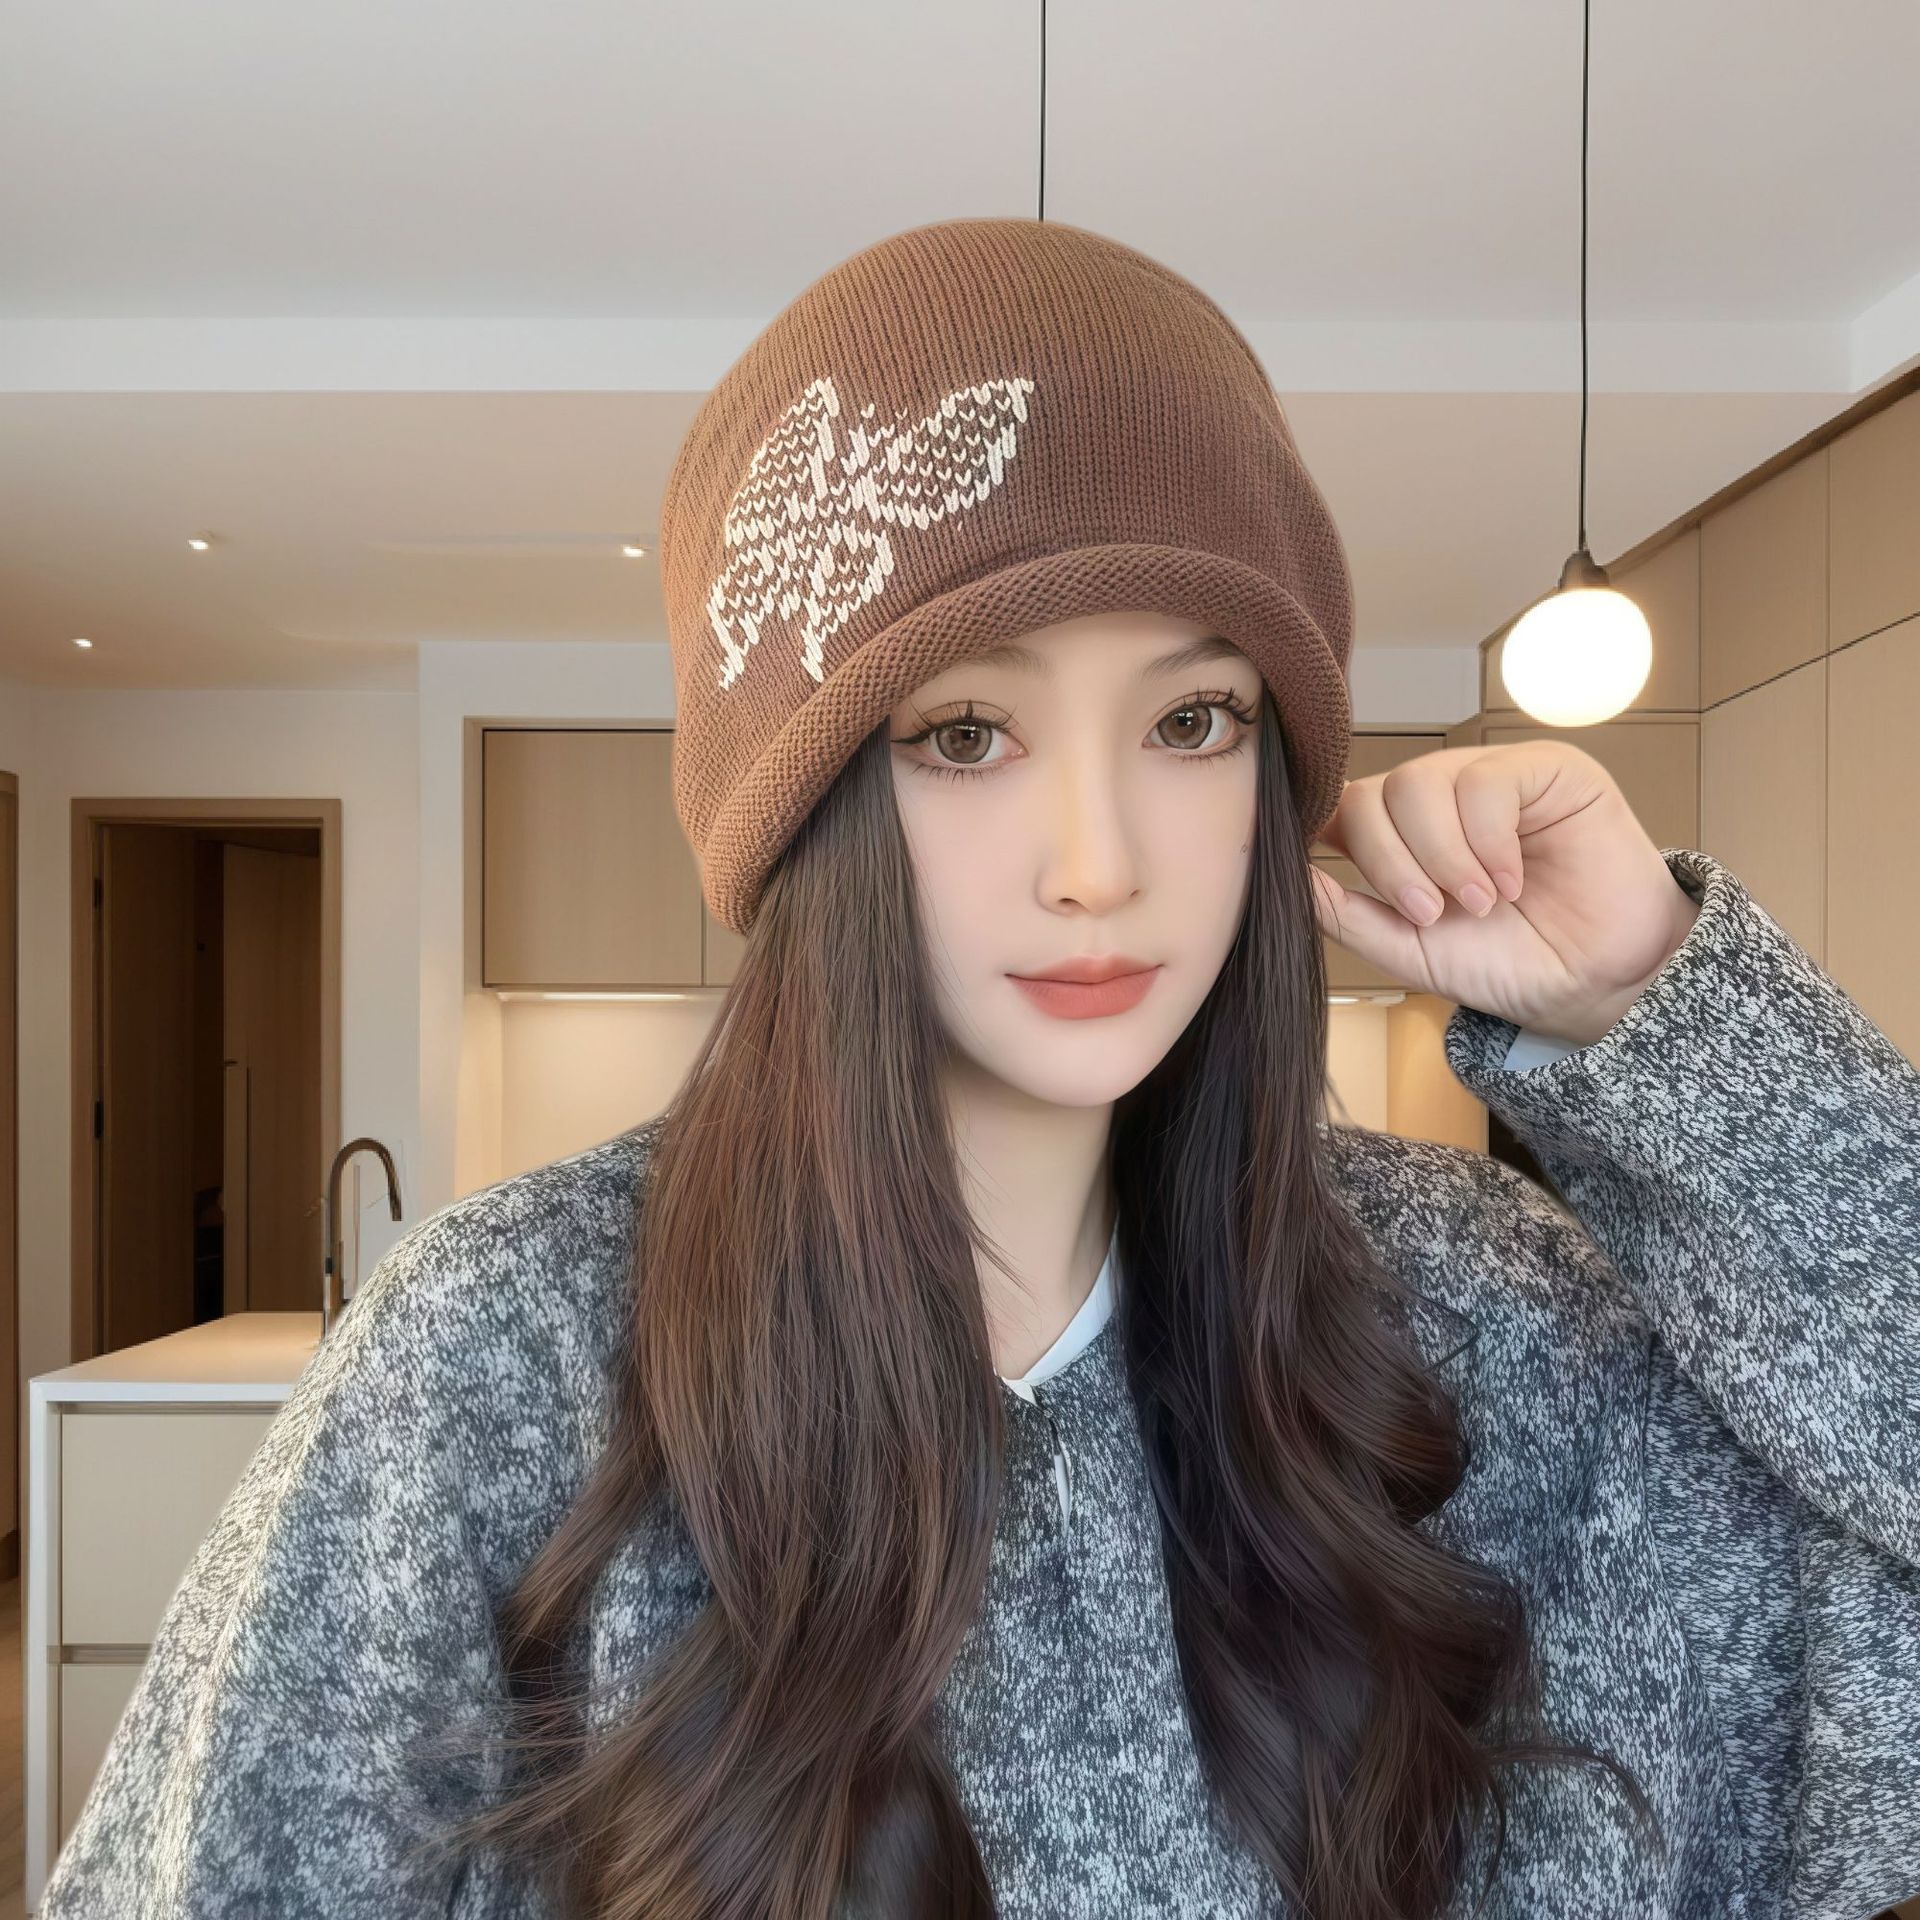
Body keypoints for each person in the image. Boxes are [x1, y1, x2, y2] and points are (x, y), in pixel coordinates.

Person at [39, 218, 1919, 1920]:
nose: (1098, 860)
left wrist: (1670, 1018)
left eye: (1194, 719)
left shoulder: (1480, 1322)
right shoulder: (507, 1353)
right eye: (962, 733)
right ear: (803, 811)